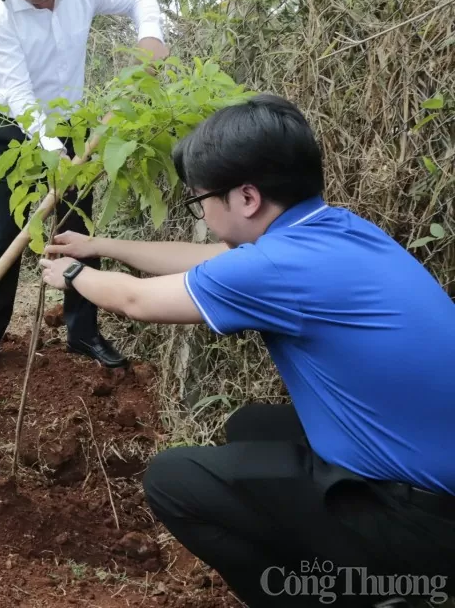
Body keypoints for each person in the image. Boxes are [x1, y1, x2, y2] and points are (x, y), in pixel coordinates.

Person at [38, 95, 455, 607]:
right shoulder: (334, 230)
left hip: (424, 527)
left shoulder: (275, 269)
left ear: (248, 198)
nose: (204, 212)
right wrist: (99, 247)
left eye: (200, 200)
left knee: (173, 480)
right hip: (433, 485)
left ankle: (357, 595)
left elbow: (135, 300)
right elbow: (207, 258)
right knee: (253, 427)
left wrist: (73, 275)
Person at [0, 0, 170, 378]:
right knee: (5, 233)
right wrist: (54, 153)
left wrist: (151, 35)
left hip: (77, 123)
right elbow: (18, 96)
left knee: (77, 228)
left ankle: (83, 332)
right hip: (15, 127)